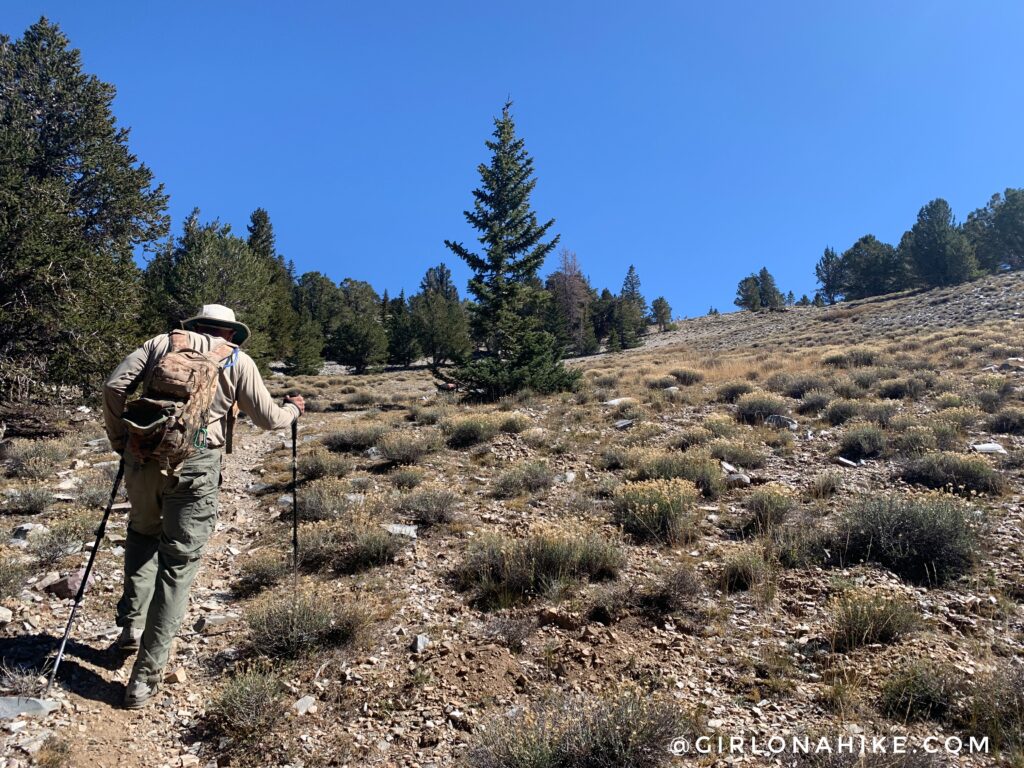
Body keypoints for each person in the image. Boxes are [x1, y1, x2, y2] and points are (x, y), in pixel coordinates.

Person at [102, 304, 304, 708]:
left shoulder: (161, 343)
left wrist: (120, 440)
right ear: (231, 333)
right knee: (178, 565)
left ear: (194, 326)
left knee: (142, 534)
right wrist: (295, 409)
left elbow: (113, 387)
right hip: (196, 463)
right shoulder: (238, 360)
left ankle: (129, 628)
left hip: (143, 456)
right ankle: (144, 678)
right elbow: (268, 420)